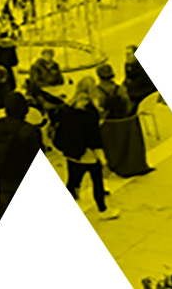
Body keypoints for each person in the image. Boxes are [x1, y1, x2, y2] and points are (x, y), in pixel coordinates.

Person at [0, 92, 52, 270]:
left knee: (2, 216)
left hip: (3, 179)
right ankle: (37, 252)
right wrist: (46, 184)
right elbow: (39, 161)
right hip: (25, 179)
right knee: (33, 216)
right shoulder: (30, 131)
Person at [51, 77, 120, 220]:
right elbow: (93, 137)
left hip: (71, 151)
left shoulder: (67, 107)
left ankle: (66, 207)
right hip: (86, 153)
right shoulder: (89, 111)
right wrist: (102, 157)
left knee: (72, 180)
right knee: (97, 180)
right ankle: (103, 209)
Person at [42, 190, 88, 285]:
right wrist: (83, 246)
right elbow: (77, 235)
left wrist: (45, 199)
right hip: (71, 247)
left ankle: (54, 271)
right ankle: (67, 277)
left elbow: (49, 210)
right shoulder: (73, 221)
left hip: (57, 244)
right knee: (70, 264)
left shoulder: (56, 218)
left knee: (57, 262)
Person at [123, 46, 160, 114]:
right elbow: (128, 79)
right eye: (126, 54)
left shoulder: (145, 68)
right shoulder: (128, 65)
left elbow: (143, 85)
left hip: (145, 95)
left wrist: (127, 92)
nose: (127, 57)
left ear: (137, 55)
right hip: (136, 91)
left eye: (129, 54)